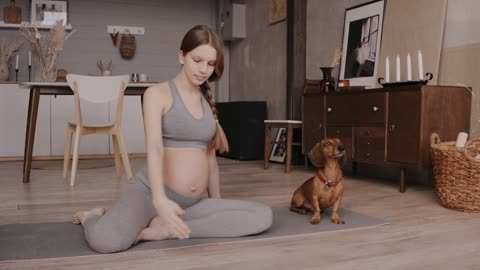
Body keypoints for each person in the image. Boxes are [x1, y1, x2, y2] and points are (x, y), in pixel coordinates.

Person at [72, 25, 273, 253]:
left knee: (262, 216)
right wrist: (159, 199)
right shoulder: (157, 94)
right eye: (197, 60)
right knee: (106, 242)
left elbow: (210, 160)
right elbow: (155, 149)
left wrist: (217, 203)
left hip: (193, 203)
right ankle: (91, 216)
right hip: (150, 193)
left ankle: (166, 229)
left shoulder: (207, 102)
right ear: (181, 56)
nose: (203, 69)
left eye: (210, 64)